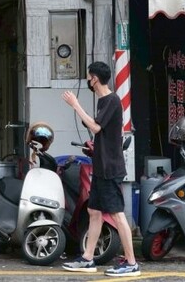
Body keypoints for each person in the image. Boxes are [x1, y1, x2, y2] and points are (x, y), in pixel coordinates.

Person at [61, 61, 140, 277]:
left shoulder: (112, 100)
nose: (88, 80)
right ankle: (88, 258)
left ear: (95, 78)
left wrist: (76, 105)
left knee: (116, 213)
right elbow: (100, 130)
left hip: (110, 168)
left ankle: (131, 263)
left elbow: (96, 127)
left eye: (89, 76)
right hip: (101, 165)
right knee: (94, 211)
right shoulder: (104, 101)